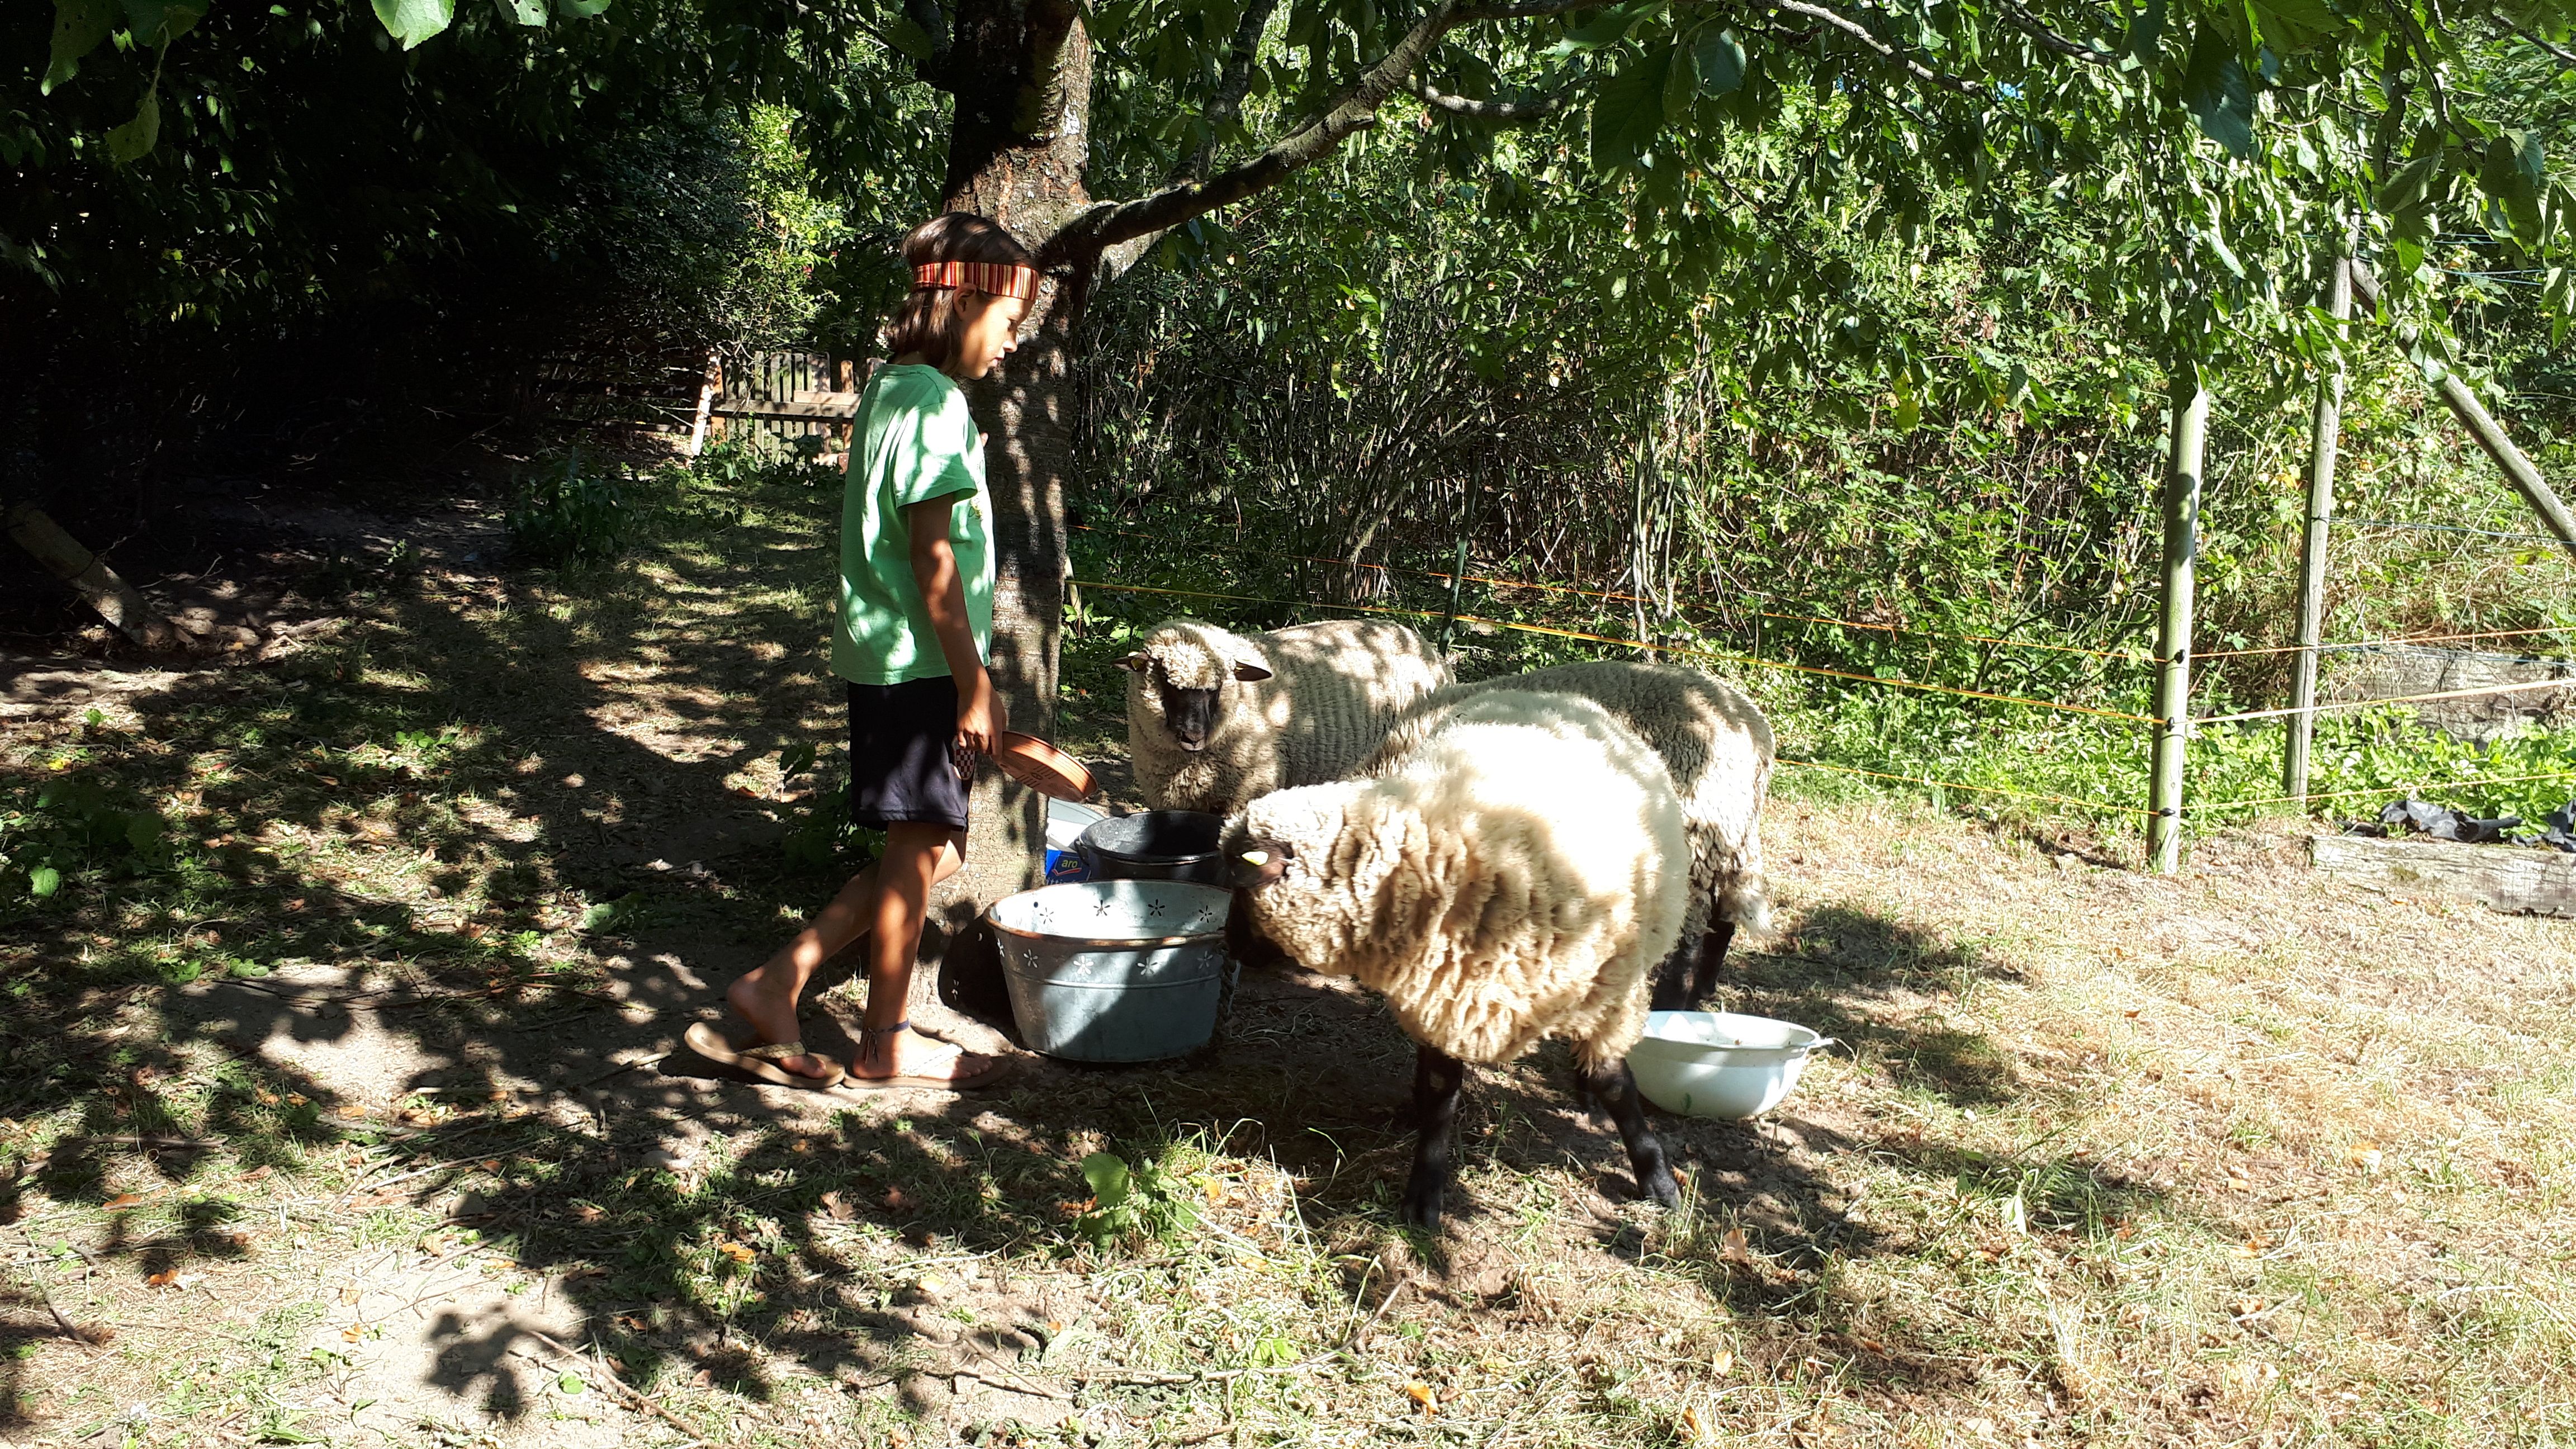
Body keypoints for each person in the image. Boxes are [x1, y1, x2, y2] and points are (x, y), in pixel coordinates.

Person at [688, 212, 1032, 1091]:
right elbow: (931, 554)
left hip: (893, 659)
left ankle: (775, 983)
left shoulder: (892, 387)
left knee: (931, 854)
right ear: (961, 302)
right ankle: (886, 1041)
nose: (1012, 343)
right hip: (920, 664)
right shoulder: (935, 403)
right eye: (1007, 321)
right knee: (921, 858)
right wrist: (974, 683)